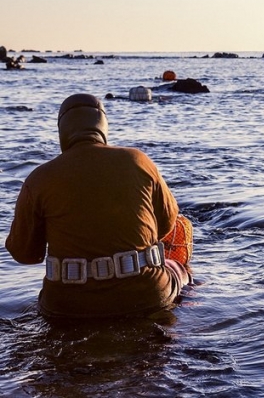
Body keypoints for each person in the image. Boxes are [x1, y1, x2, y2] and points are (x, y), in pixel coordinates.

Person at [4, 93, 192, 318]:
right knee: (183, 272)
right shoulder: (138, 160)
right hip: (145, 297)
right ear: (102, 127)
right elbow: (167, 224)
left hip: (66, 307)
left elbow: (26, 255)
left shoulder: (38, 179)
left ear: (63, 132)